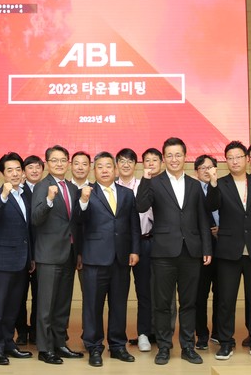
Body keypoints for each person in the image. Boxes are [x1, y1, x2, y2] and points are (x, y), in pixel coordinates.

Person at [136, 137, 212, 365]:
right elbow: (140, 206)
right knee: (162, 304)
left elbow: (202, 219)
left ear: (185, 157)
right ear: (163, 158)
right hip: (163, 252)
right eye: (169, 155)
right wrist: (145, 179)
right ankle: (164, 347)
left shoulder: (195, 185)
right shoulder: (154, 182)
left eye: (178, 154)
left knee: (189, 303)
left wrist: (207, 247)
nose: (174, 159)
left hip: (191, 251)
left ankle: (188, 347)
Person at [205, 141, 251, 361]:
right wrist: (213, 184)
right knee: (226, 300)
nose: (234, 161)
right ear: (225, 161)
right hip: (229, 250)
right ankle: (226, 342)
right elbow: (211, 206)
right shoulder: (220, 183)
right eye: (230, 158)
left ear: (246, 159)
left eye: (238, 157)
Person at [77, 152, 140, 367]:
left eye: (108, 166)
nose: (104, 170)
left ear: (115, 170)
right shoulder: (86, 192)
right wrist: (83, 201)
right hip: (95, 258)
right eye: (100, 167)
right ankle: (94, 347)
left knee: (119, 304)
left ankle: (117, 346)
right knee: (92, 306)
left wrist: (135, 250)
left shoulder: (127, 194)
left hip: (121, 258)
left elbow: (133, 224)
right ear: (94, 171)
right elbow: (78, 221)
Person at [31, 145, 84, 364]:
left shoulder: (71, 187)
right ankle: (45, 348)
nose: (60, 164)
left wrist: (78, 251)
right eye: (55, 160)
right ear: (47, 163)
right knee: (46, 305)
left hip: (69, 253)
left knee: (63, 304)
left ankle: (60, 343)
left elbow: (75, 223)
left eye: (63, 160)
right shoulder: (42, 186)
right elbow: (35, 218)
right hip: (49, 254)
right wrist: (49, 200)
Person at [0, 152, 35, 365]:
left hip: (21, 260)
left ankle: (8, 343)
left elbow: (27, 230)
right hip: (1, 260)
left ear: (22, 172)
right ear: (2, 174)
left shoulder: (24, 195)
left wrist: (30, 257)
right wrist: (4, 196)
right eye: (9, 170)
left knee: (13, 308)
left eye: (17, 170)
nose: (14, 174)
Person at [115, 148, 155, 352]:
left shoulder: (145, 185)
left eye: (130, 161)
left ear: (135, 165)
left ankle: (144, 334)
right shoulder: (110, 187)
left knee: (145, 292)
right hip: (119, 246)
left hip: (144, 242)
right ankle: (117, 336)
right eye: (122, 161)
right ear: (116, 164)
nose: (126, 164)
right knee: (118, 294)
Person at [15, 154, 45, 345]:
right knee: (19, 294)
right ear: (24, 171)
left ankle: (35, 330)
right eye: (30, 167)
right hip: (22, 251)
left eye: (38, 167)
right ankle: (21, 331)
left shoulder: (47, 189)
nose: (34, 170)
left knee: (39, 295)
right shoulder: (18, 190)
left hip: (43, 251)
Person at [193, 154, 220, 350]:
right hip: (200, 247)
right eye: (202, 168)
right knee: (199, 294)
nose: (206, 171)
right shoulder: (191, 190)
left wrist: (222, 230)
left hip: (223, 245)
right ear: (196, 172)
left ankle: (219, 332)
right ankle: (201, 334)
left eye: (210, 167)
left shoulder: (223, 187)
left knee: (222, 293)